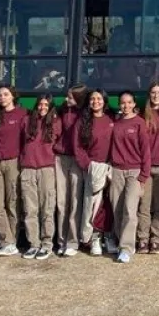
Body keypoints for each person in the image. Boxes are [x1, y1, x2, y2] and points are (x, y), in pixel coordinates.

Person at [0, 85, 28, 257]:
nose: (2, 98)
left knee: (12, 204)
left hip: (14, 163)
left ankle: (10, 243)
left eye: (6, 94)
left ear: (13, 96)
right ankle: (8, 241)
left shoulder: (22, 114)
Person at [108, 91, 151, 263]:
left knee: (130, 210)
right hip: (117, 171)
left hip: (134, 172)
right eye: (123, 103)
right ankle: (121, 241)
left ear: (134, 104)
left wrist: (143, 175)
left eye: (129, 102)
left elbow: (145, 150)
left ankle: (126, 248)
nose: (126, 106)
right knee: (117, 209)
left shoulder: (139, 123)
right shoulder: (115, 124)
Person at [74, 88, 116, 256]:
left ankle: (109, 236)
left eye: (99, 99)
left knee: (109, 204)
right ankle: (94, 238)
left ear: (104, 101)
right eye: (92, 99)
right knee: (92, 206)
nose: (96, 102)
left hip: (111, 168)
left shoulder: (112, 119)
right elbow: (78, 147)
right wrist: (89, 166)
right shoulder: (82, 121)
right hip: (92, 170)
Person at [20, 94, 62, 260]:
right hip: (28, 168)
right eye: (40, 104)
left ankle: (46, 244)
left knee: (47, 208)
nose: (42, 107)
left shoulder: (55, 123)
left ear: (51, 107)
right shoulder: (27, 121)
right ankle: (33, 243)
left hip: (46, 169)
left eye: (46, 104)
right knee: (30, 209)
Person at [137, 81, 159, 254]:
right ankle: (143, 239)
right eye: (153, 92)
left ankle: (156, 239)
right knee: (144, 206)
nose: (156, 95)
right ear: (149, 95)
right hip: (146, 166)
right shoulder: (143, 115)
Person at [54, 84, 87, 257]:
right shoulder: (61, 111)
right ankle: (61, 240)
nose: (67, 100)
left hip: (77, 160)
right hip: (61, 158)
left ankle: (72, 241)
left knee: (75, 201)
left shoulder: (86, 114)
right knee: (61, 202)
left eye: (71, 97)